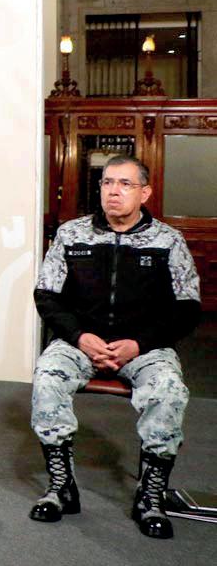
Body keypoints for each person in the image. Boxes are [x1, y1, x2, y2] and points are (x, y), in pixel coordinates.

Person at [29, 155, 200, 539]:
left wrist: (139, 344)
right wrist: (79, 337)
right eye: (107, 182)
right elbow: (46, 296)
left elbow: (188, 308)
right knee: (47, 377)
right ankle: (61, 486)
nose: (114, 191)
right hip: (80, 343)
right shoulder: (71, 235)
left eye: (125, 184)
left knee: (169, 390)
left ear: (145, 193)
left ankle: (150, 494)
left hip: (144, 347)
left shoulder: (168, 241)